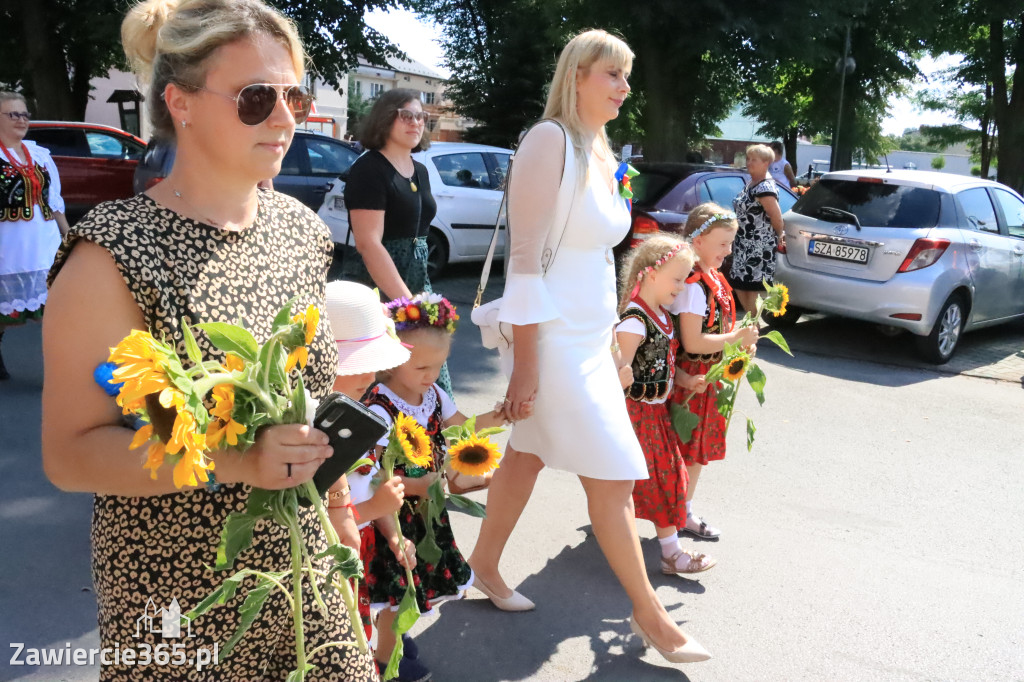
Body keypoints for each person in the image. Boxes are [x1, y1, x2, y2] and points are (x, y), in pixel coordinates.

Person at [41, 1, 376, 679]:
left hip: (304, 567)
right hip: (178, 595)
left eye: (294, 96)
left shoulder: (301, 231)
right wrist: (239, 461)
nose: (286, 118)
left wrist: (340, 509)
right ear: (181, 103)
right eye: (257, 98)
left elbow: (309, 401)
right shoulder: (112, 252)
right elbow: (70, 457)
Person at [467, 29, 712, 664]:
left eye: (628, 76)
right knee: (613, 472)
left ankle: (484, 568)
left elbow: (598, 260)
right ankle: (650, 615)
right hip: (548, 340)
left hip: (590, 339)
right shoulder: (549, 140)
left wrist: (613, 341)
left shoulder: (602, 150)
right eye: (613, 74)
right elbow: (525, 263)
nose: (626, 87)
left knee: (524, 455)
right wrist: (525, 367)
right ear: (577, 76)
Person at [354, 293, 509, 680]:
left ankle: (394, 645)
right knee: (397, 594)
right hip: (390, 518)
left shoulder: (433, 396)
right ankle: (384, 664)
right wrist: (414, 484)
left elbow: (461, 430)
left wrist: (499, 416)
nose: (431, 375)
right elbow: (366, 476)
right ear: (390, 360)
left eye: (439, 366)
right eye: (421, 366)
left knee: (414, 586)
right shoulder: (376, 409)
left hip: (424, 514)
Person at [321, 280, 421, 675]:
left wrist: (394, 534)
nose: (370, 374)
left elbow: (371, 479)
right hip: (330, 560)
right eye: (355, 365)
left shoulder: (357, 414)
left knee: (364, 624)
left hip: (362, 548)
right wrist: (373, 508)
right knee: (340, 637)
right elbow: (314, 515)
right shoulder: (309, 431)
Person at [615, 234, 717, 575]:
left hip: (657, 414)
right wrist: (619, 379)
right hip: (636, 415)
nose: (681, 286)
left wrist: (685, 381)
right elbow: (619, 373)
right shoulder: (634, 320)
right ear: (649, 274)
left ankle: (627, 536)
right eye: (676, 279)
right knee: (660, 480)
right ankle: (671, 553)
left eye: (685, 278)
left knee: (664, 479)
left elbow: (664, 365)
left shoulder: (660, 315)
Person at [341, 88, 452, 397]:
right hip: (378, 283)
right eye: (406, 115)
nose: (416, 123)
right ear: (385, 119)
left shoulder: (421, 170)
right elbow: (369, 243)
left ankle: (435, 441)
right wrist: (408, 304)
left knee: (428, 374)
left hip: (416, 278)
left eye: (421, 117)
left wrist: (418, 300)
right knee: (383, 379)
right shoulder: (369, 169)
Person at [669, 203, 760, 541]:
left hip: (705, 375)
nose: (729, 250)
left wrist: (737, 347)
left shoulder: (712, 278)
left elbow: (715, 329)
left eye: (731, 243)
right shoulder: (694, 285)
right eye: (723, 243)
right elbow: (693, 341)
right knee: (687, 450)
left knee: (692, 451)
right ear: (699, 240)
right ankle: (681, 512)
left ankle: (679, 508)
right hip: (691, 377)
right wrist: (734, 338)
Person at [0, 91, 69, 380]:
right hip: (9, 247)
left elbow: (54, 201)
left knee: (56, 307)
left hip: (44, 242)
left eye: (24, 114)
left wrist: (69, 238)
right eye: (12, 114)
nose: (21, 120)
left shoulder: (39, 155)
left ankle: (60, 369)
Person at [730, 143, 785, 315]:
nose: (749, 162)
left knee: (751, 288)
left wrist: (780, 234)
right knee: (739, 284)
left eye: (754, 159)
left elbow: (776, 217)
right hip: (743, 244)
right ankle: (751, 323)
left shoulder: (765, 188)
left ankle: (752, 326)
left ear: (766, 163)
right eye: (748, 158)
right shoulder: (752, 183)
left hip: (758, 246)